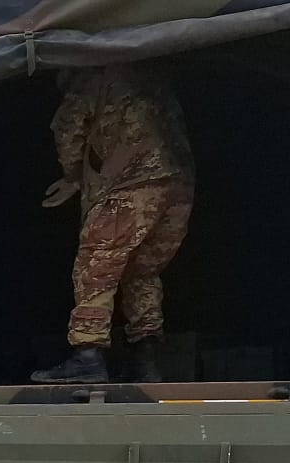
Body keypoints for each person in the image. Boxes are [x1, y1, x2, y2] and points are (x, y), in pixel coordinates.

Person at [32, 64, 195, 385]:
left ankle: (88, 356)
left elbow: (68, 125)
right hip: (179, 186)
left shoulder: (93, 76)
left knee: (96, 266)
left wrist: (74, 174)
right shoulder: (154, 76)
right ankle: (145, 361)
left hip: (130, 182)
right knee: (142, 272)